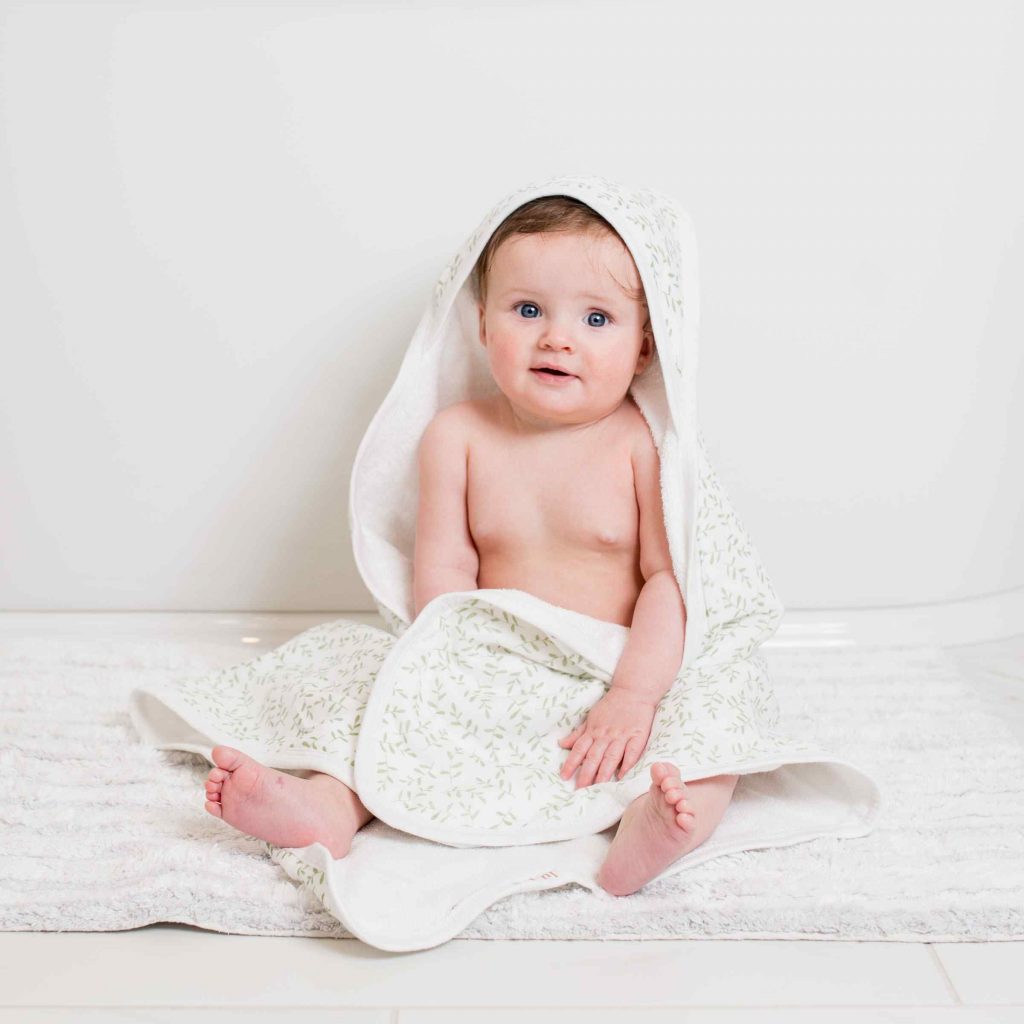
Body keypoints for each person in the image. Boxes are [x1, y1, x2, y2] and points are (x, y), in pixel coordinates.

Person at [203, 196, 739, 897]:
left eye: (596, 319)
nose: (557, 339)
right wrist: (440, 666)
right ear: (482, 323)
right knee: (363, 687)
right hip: (492, 657)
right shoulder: (458, 436)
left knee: (722, 720)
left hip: (615, 668)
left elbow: (670, 581)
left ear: (645, 345)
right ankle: (330, 804)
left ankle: (653, 824)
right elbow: (446, 565)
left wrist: (637, 694)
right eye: (527, 310)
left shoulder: (644, 447)